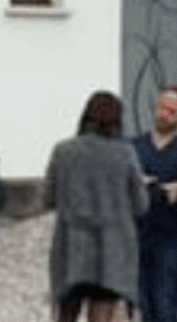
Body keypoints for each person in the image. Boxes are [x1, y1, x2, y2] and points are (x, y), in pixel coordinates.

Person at [44, 90, 149, 322]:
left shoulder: (63, 151)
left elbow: (47, 198)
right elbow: (141, 205)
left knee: (66, 315)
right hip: (112, 254)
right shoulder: (125, 153)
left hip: (71, 250)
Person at [131, 88, 177, 322]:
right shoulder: (134, 146)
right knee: (143, 301)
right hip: (138, 232)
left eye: (172, 111)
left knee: (166, 301)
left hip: (170, 235)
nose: (164, 114)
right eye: (162, 108)